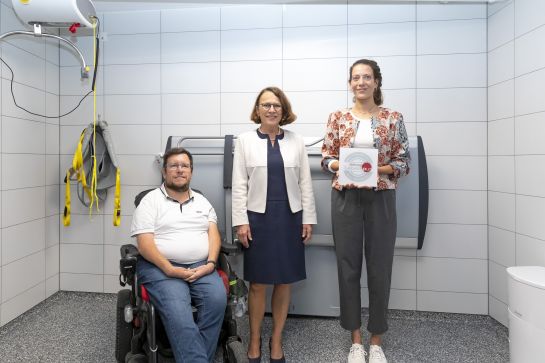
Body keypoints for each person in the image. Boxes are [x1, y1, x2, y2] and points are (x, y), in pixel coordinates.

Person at [321, 59, 410, 363]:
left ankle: (376, 341)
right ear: (350, 83)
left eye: (367, 77)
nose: (361, 82)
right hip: (345, 197)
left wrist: (374, 169)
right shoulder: (337, 117)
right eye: (356, 77)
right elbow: (326, 157)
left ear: (376, 82)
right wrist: (341, 166)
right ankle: (355, 340)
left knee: (380, 266)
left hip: (380, 198)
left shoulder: (393, 118)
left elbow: (403, 162)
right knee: (347, 266)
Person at [232, 86, 317, 362]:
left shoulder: (297, 141)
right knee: (258, 283)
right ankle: (255, 338)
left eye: (276, 105)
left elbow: (305, 183)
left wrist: (308, 219)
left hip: (290, 217)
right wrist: (240, 222)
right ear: (257, 110)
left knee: (284, 281)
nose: (271, 110)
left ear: (284, 110)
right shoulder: (244, 141)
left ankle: (276, 338)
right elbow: (238, 186)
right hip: (257, 218)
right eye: (266, 105)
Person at [130, 147, 227, 363]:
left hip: (202, 265)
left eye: (185, 166)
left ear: (191, 172)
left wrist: (211, 263)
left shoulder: (202, 202)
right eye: (173, 165)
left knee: (217, 301)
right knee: (179, 313)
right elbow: (144, 245)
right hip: (160, 268)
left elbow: (214, 236)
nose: (179, 170)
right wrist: (169, 268)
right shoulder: (150, 202)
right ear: (164, 172)